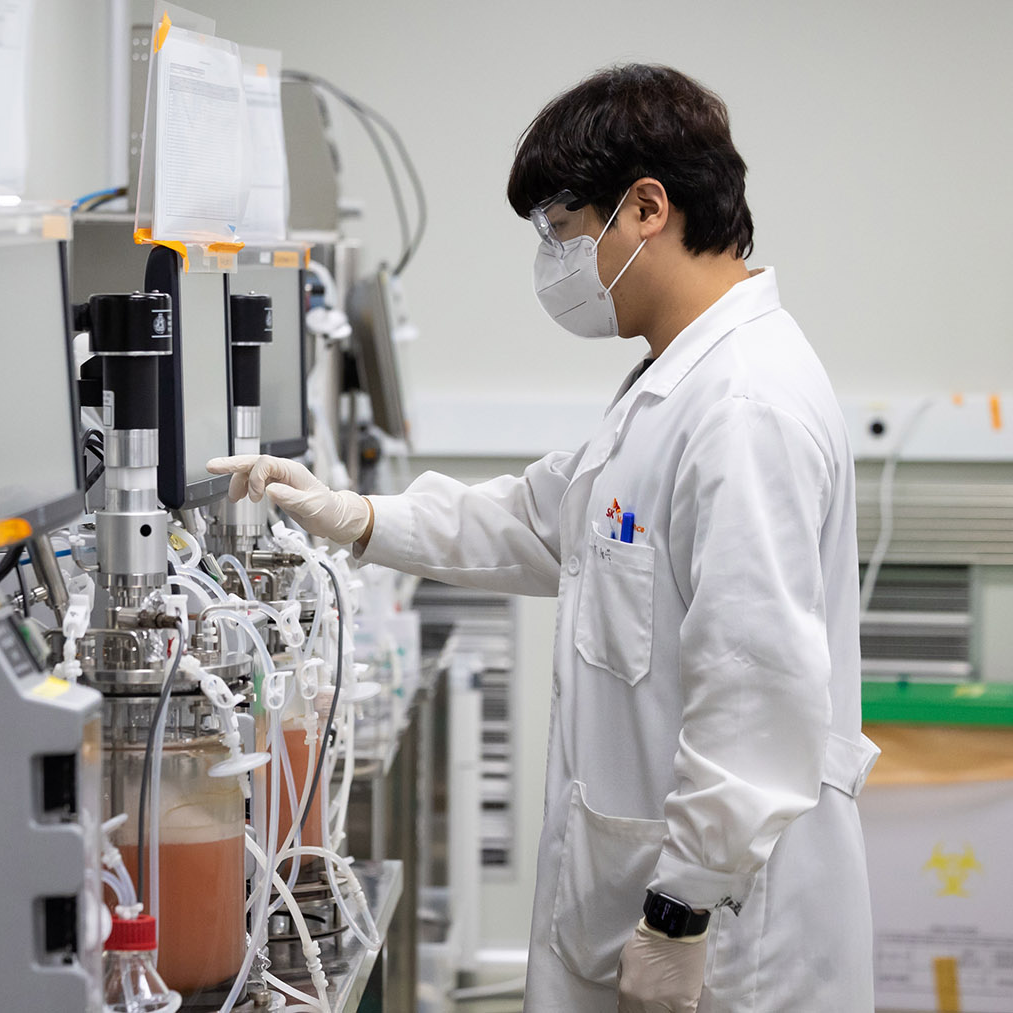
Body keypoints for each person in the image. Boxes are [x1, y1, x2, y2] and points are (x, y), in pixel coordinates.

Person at [211, 64, 876, 1012]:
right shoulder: (675, 384)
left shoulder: (744, 407)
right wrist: (358, 516)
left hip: (726, 945)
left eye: (561, 228)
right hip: (648, 898)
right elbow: (543, 515)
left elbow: (756, 694)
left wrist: (680, 914)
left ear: (646, 208)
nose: (555, 259)